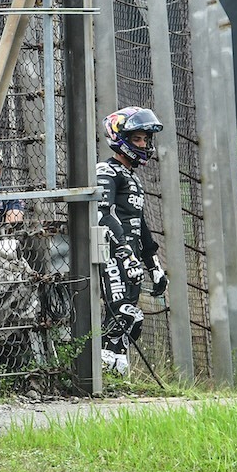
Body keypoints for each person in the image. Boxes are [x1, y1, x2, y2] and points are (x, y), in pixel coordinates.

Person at [97, 106, 169, 375]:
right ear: (120, 138)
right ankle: (98, 370)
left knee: (126, 326)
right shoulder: (107, 170)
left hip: (134, 258)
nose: (143, 144)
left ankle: (115, 377)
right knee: (125, 314)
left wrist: (155, 267)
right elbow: (102, 214)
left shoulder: (133, 177)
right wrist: (124, 254)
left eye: (145, 139)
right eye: (137, 139)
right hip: (113, 255)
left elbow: (142, 227)